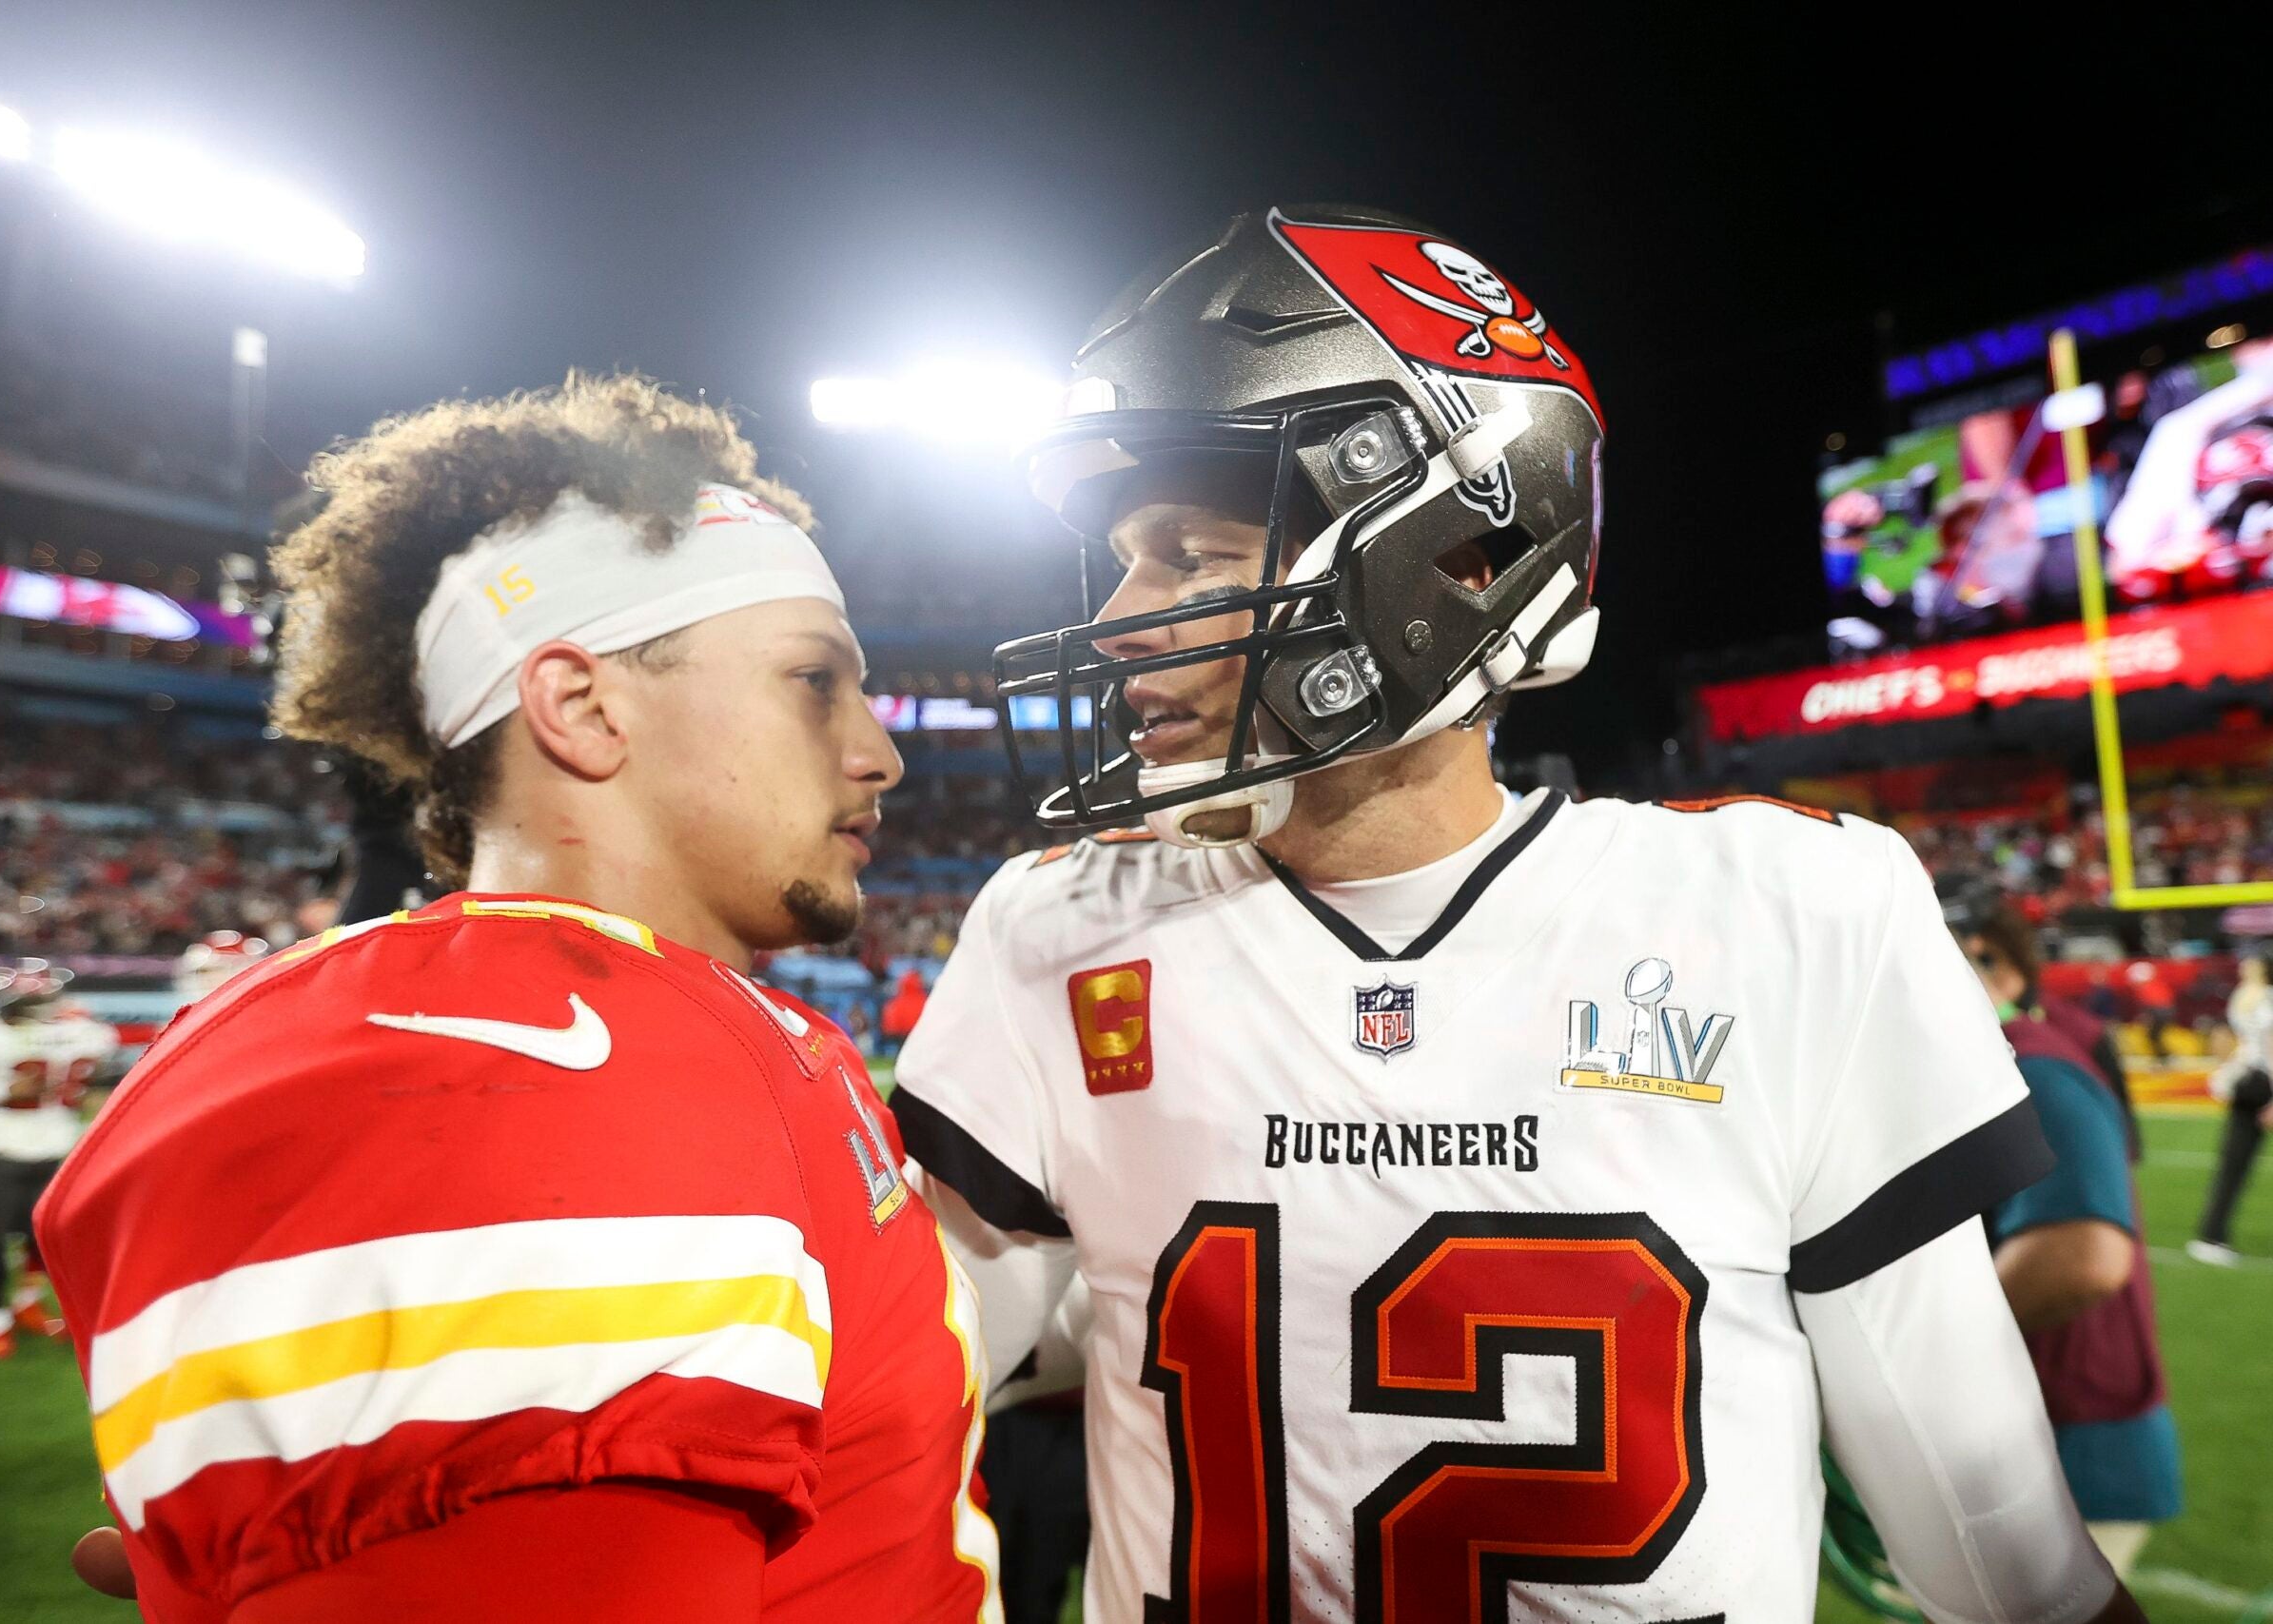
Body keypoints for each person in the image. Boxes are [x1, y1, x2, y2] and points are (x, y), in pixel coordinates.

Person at [891, 205, 2144, 1624]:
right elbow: (885, 1420)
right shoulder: (1065, 928)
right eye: (1123, 557)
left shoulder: (1786, 910)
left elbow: (1990, 1527)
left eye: (1189, 552)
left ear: (1460, 557)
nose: (1122, 618)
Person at [34, 376, 999, 1623]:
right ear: (584, 705)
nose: (880, 749)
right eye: (814, 681)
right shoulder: (537, 1070)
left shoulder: (678, 1028)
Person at [1941, 877, 2181, 1575]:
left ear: (1997, 965)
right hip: (2041, 1425)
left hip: (2068, 1430)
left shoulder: (2029, 1065)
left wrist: (1922, 1349)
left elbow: (2084, 1257)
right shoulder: (2022, 1053)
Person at [0, 962, 121, 1358]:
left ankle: (23, 1304)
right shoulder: (84, 1031)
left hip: (42, 1145)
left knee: (39, 1236)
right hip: (5, 1148)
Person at [2190, 952, 2272, 1265]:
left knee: (2232, 1164)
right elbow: (2269, 1047)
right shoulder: (2263, 997)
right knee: (2234, 1164)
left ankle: (2210, 1235)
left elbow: (2231, 1040)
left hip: (2244, 1079)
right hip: (2260, 1082)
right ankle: (2211, 1235)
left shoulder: (2241, 996)